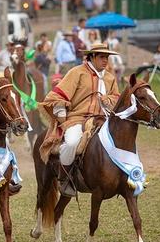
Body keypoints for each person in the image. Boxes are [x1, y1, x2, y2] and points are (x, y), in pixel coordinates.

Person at [40, 43, 120, 197]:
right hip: (77, 119)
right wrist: (63, 121)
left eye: (107, 57)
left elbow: (117, 98)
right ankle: (64, 180)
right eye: (102, 57)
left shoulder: (110, 77)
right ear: (92, 56)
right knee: (71, 143)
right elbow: (57, 96)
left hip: (103, 120)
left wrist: (107, 99)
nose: (106, 61)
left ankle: (126, 177)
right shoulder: (76, 73)